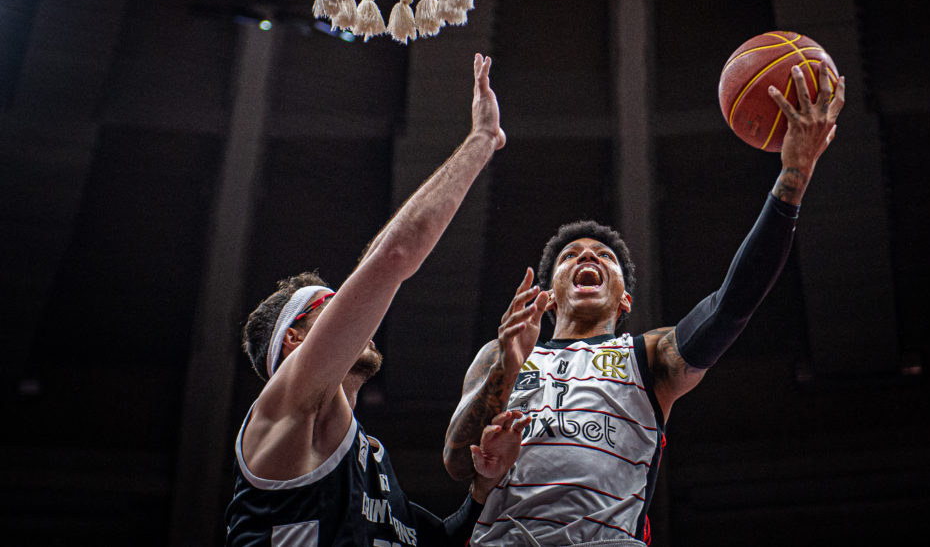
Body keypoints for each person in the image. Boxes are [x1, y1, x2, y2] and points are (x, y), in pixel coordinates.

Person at [443, 64, 846, 546]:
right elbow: (454, 462)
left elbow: (730, 307)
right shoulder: (499, 355)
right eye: (571, 256)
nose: (587, 256)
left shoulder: (648, 357)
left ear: (625, 297)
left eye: (604, 256)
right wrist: (507, 370)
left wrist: (794, 175)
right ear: (549, 294)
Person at [225, 54, 529, 546]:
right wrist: (481, 141)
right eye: (331, 305)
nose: (355, 313)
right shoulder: (288, 405)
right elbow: (396, 255)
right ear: (295, 339)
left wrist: (485, 484)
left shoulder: (370, 459)